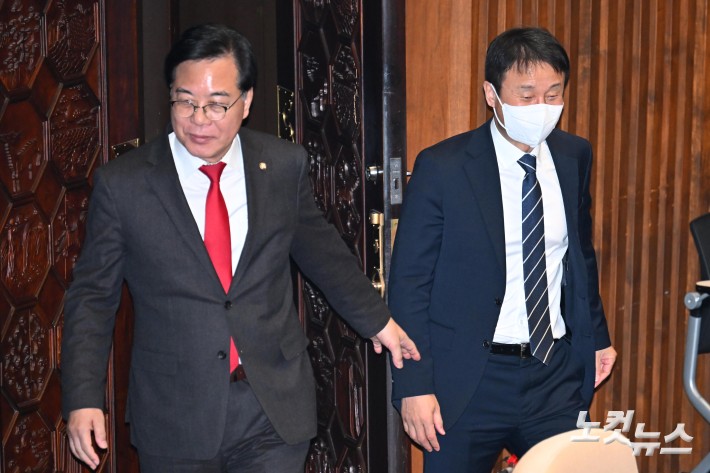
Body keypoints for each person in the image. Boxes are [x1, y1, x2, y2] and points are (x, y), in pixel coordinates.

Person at [61, 23, 419, 473]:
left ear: (246, 102)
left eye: (217, 104)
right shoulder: (125, 185)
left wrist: (378, 322)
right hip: (175, 414)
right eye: (185, 101)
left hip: (270, 407)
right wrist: (83, 398)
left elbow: (324, 256)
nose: (199, 119)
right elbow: (92, 298)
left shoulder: (282, 166)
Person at [388, 27, 617, 472]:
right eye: (526, 95)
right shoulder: (444, 167)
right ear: (491, 94)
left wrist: (598, 338)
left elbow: (578, 257)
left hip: (553, 373)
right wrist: (413, 385)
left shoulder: (573, 155)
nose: (542, 108)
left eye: (554, 94)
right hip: (469, 379)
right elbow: (410, 284)